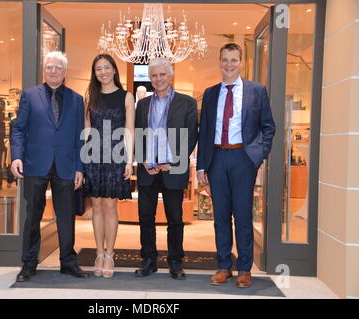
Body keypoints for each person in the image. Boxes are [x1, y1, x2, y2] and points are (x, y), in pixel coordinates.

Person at [197, 43, 275, 288]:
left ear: (241, 63)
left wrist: (257, 156)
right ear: (219, 62)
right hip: (217, 159)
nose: (229, 64)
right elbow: (205, 131)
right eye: (225, 59)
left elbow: (268, 127)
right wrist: (201, 166)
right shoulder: (210, 93)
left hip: (243, 158)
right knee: (220, 216)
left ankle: (244, 269)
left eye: (233, 60)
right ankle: (223, 266)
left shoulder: (256, 91)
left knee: (242, 215)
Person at [11, 51, 89, 282]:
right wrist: (16, 156)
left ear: (65, 72)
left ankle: (68, 262)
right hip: (35, 164)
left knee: (66, 216)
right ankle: (29, 263)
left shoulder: (76, 100)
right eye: (49, 67)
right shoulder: (29, 96)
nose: (53, 71)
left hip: (65, 166)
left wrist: (79, 168)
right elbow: (18, 129)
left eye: (57, 67)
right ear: (44, 70)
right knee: (33, 215)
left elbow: (79, 136)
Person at [134, 58, 198, 280]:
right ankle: (149, 260)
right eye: (154, 75)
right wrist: (141, 158)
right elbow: (137, 134)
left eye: (162, 75)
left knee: (175, 218)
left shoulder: (187, 103)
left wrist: (174, 161)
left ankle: (175, 262)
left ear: (170, 76)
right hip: (147, 170)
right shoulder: (142, 105)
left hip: (173, 169)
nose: (158, 79)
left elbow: (191, 136)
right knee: (145, 217)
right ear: (150, 78)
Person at [83, 54, 135, 278]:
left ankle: (111, 254)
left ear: (114, 70)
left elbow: (130, 131)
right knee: (96, 207)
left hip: (116, 156)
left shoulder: (126, 97)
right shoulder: (90, 99)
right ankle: (99, 253)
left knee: (110, 207)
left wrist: (129, 161)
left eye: (106, 67)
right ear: (94, 74)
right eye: (98, 69)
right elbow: (86, 133)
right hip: (94, 157)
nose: (102, 72)